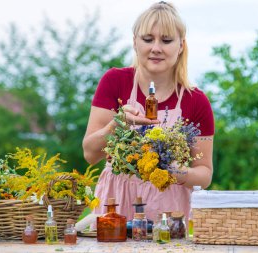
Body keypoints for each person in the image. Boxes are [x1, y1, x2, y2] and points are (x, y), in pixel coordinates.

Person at [82, 1, 214, 222]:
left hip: (171, 211)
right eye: (147, 39)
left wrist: (176, 173)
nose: (156, 48)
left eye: (166, 40)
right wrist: (116, 125)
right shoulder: (114, 82)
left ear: (181, 46)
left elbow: (205, 172)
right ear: (135, 42)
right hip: (115, 205)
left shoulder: (196, 101)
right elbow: (90, 154)